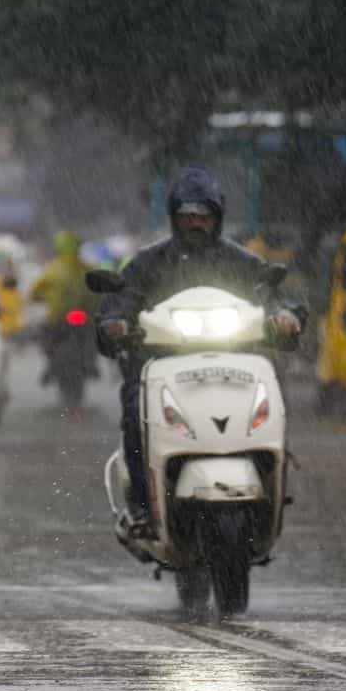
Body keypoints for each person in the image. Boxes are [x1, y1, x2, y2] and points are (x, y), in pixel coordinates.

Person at [95, 166, 305, 537]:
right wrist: (115, 322)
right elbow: (120, 299)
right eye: (187, 216)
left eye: (203, 216)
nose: (196, 223)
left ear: (217, 217)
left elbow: (272, 295)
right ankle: (145, 506)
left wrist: (284, 315)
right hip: (161, 365)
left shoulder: (241, 261)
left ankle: (269, 490)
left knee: (274, 401)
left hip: (234, 363)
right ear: (174, 218)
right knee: (134, 408)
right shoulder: (149, 262)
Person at [29, 230, 99, 389]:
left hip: (59, 318)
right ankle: (91, 363)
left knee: (44, 335)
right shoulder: (87, 268)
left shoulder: (52, 269)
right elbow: (98, 293)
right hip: (83, 317)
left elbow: (35, 293)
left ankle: (50, 364)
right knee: (93, 334)